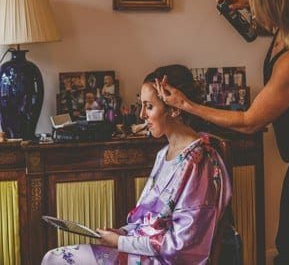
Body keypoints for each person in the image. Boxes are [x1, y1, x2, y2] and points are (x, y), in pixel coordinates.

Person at [155, 0, 289, 265]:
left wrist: (187, 105)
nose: (255, 5)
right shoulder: (283, 31)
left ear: (275, 1)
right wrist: (247, 3)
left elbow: (249, 121)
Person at [42, 65, 233, 264]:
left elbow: (183, 245)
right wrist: (121, 233)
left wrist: (121, 242)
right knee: (55, 258)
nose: (141, 115)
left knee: (57, 260)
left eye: (149, 106)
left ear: (174, 108)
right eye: (141, 105)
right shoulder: (163, 155)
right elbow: (145, 219)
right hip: (141, 250)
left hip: (163, 260)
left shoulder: (199, 162)